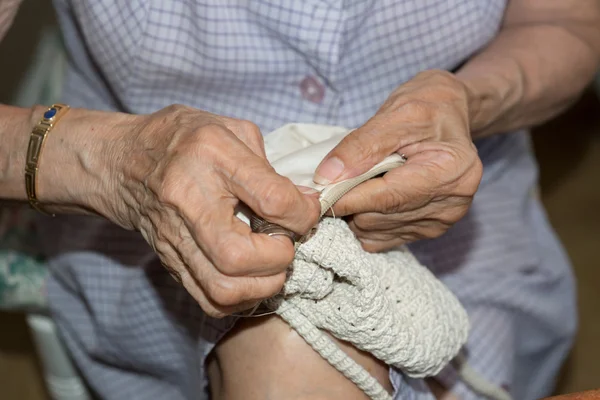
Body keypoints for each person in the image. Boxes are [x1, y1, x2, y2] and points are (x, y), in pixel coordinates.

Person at [1, 0, 599, 399]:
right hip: (137, 211)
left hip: (461, 204)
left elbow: (566, 22)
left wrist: (468, 100)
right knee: (286, 352)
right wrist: (100, 161)